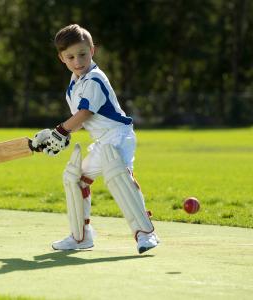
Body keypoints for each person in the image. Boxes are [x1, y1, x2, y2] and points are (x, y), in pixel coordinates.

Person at [32, 24, 159, 254]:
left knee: (118, 175)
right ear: (61, 58)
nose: (77, 61)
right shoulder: (74, 84)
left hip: (119, 136)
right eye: (70, 56)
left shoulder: (94, 79)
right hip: (103, 139)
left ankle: (146, 234)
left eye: (82, 54)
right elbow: (82, 121)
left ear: (93, 50)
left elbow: (85, 114)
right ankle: (81, 237)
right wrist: (57, 135)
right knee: (75, 179)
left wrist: (60, 131)